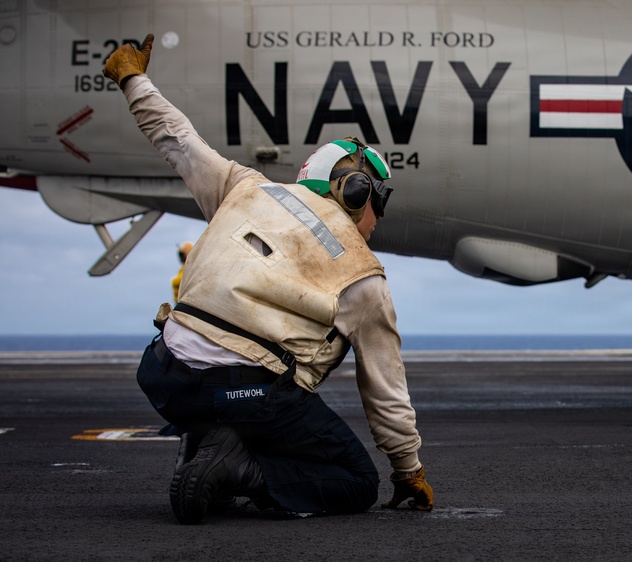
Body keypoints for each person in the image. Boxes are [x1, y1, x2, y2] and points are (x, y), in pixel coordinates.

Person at [103, 34, 433, 523]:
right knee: (355, 482)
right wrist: (407, 471)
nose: (377, 221)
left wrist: (133, 79)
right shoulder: (364, 277)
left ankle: (206, 443)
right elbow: (385, 391)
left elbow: (175, 137)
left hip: (161, 374)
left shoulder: (243, 187)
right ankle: (239, 469)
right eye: (377, 204)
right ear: (356, 190)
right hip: (248, 395)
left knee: (249, 397)